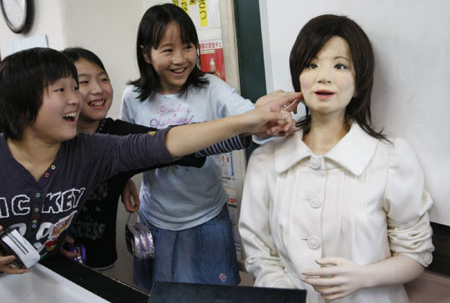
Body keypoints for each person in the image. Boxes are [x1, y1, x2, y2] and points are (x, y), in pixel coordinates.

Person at [0, 47, 297, 275]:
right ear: (22, 106)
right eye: (61, 90)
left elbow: (167, 142)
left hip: (45, 278)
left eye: (73, 87)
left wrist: (247, 122)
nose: (76, 98)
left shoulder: (90, 151)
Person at [238, 14, 434, 303]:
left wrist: (365, 276)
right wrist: (286, 292)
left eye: (340, 65)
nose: (323, 76)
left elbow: (416, 254)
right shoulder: (266, 160)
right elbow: (258, 251)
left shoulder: (391, 158)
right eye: (312, 64)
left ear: (359, 81)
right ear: (298, 78)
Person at [120, 3, 300, 289]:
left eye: (188, 47)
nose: (180, 59)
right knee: (164, 295)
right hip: (157, 219)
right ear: (146, 54)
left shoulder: (211, 87)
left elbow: (248, 119)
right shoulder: (133, 97)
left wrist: (272, 123)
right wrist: (124, 182)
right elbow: (124, 149)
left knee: (215, 295)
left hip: (206, 217)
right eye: (167, 50)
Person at [61, 47, 256, 270]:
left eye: (103, 79)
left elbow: (175, 146)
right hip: (47, 262)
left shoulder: (119, 136)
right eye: (83, 83)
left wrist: (247, 130)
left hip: (100, 263)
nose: (98, 89)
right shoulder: (51, 140)